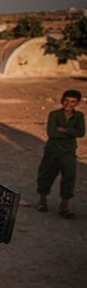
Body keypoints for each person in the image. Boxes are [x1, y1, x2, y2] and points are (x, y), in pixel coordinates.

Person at [36, 89, 84, 219]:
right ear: (62, 101)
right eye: (66, 101)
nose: (69, 104)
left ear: (77, 103)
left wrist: (63, 129)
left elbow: (81, 133)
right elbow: (52, 133)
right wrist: (71, 132)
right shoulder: (54, 114)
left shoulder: (79, 116)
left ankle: (64, 206)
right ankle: (42, 201)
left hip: (69, 153)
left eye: (73, 102)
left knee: (69, 177)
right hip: (52, 151)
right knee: (46, 175)